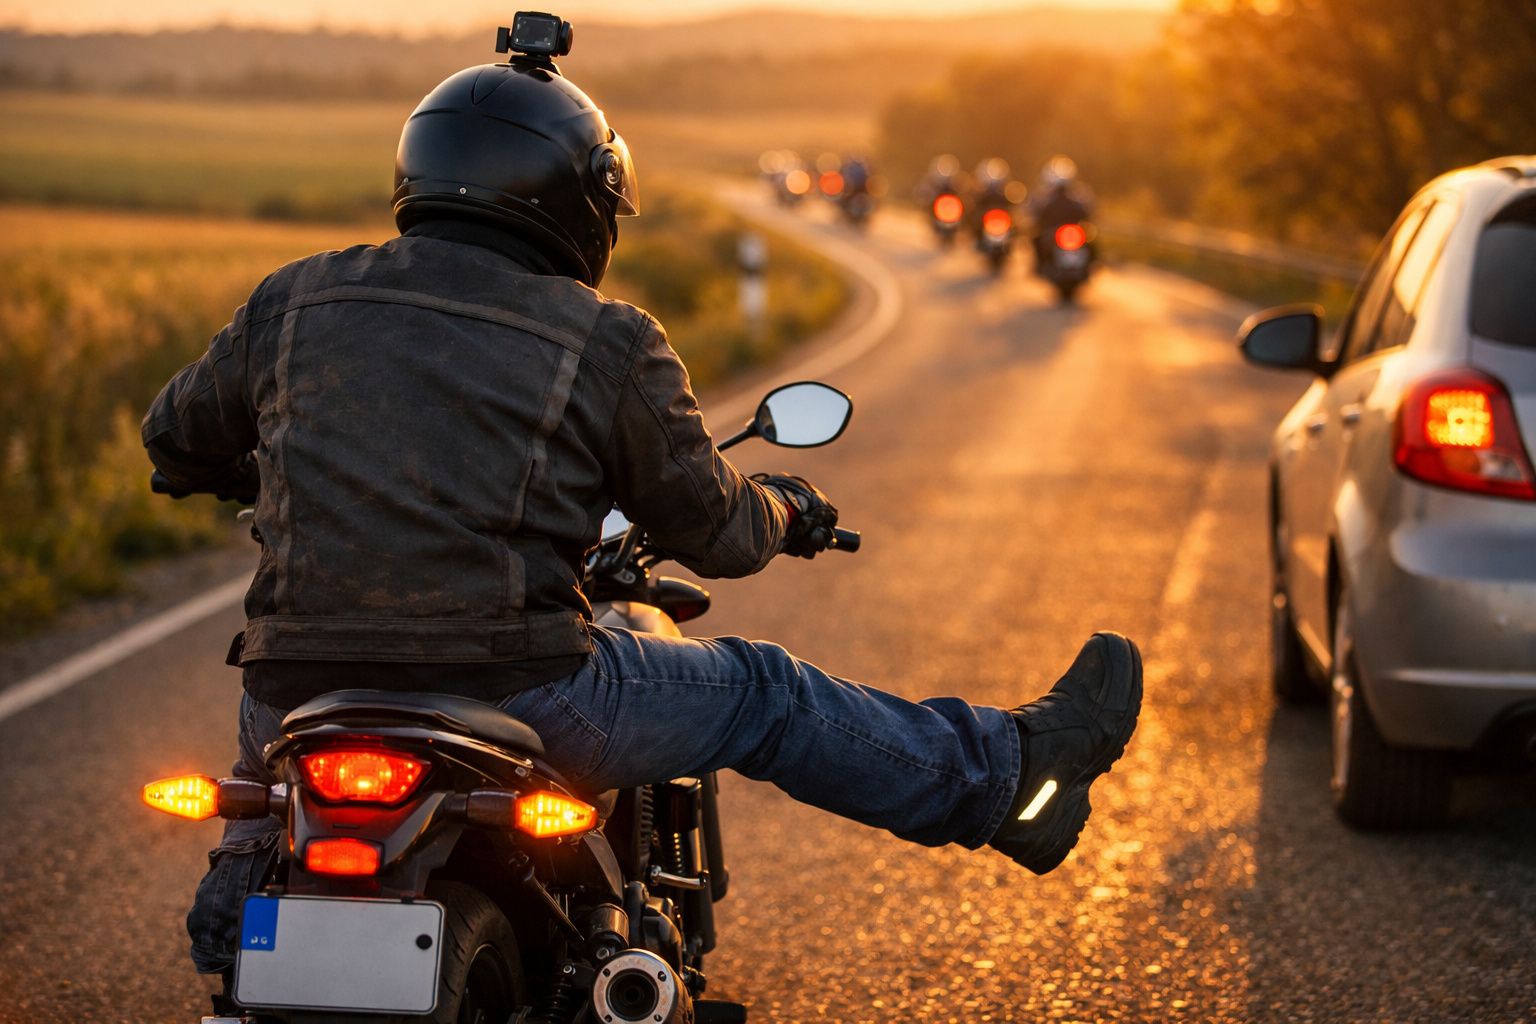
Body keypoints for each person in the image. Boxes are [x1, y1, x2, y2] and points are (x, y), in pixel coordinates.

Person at [143, 33, 1143, 980]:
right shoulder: (607, 339)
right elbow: (715, 526)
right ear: (583, 202)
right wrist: (784, 512)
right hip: (523, 687)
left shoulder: (294, 299)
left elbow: (174, 439)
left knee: (267, 780)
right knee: (768, 692)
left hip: (299, 684)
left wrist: (266, 467)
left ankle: (240, 904)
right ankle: (1008, 781)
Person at [1029, 155, 1096, 269]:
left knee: (1091, 241)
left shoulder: (1078, 195)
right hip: (1058, 234)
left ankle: (1092, 265)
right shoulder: (1045, 196)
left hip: (1070, 233)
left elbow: (1088, 211)